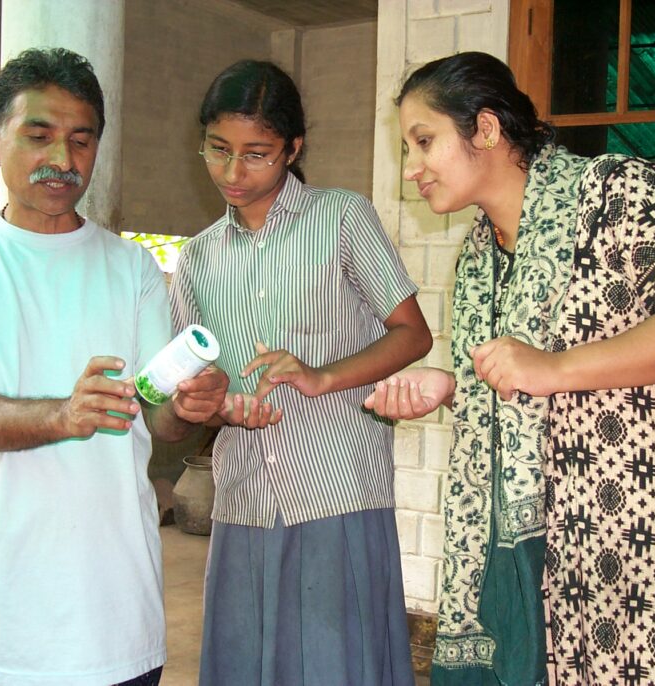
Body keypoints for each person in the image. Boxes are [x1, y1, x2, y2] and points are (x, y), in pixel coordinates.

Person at [365, 52, 655, 686]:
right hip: (536, 550)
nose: (413, 169)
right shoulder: (480, 254)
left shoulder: (616, 191)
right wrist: (454, 388)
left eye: (424, 141)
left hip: (637, 538)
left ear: (485, 129)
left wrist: (556, 367)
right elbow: (522, 387)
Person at [0, 48, 227, 686]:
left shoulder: (132, 269)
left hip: (108, 613)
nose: (62, 161)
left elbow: (158, 418)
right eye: (38, 137)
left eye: (81, 140)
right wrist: (64, 415)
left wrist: (187, 406)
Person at [168, 60, 431, 686]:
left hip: (336, 490)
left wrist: (320, 376)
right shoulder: (197, 258)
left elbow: (413, 334)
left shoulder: (342, 219)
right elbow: (198, 381)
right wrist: (219, 404)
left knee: (337, 665)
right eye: (218, 150)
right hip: (244, 499)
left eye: (256, 154)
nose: (233, 173)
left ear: (292, 149)